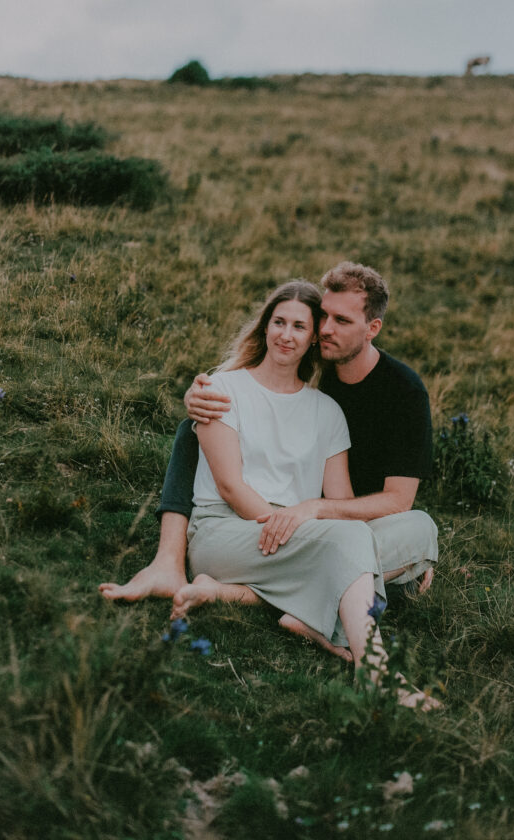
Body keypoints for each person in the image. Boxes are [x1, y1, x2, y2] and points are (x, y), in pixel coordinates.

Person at [113, 277, 434, 707]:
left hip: (297, 532)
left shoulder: (327, 410)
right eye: (279, 322)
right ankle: (373, 669)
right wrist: (288, 527)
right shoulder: (221, 390)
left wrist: (312, 520)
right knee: (349, 541)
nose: (287, 334)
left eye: (300, 327)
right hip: (231, 531)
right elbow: (229, 486)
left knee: (420, 526)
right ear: (265, 326)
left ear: (312, 340)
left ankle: (251, 599)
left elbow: (340, 500)